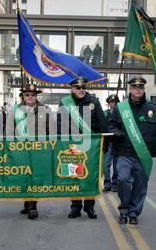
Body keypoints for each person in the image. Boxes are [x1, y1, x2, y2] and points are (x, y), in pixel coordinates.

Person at [108, 77, 156, 225]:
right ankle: (124, 209)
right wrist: (115, 131)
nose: (138, 89)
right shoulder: (120, 109)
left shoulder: (153, 109)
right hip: (124, 152)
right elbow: (110, 125)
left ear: (144, 89)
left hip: (143, 154)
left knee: (140, 185)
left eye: (140, 87)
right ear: (130, 89)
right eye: (134, 87)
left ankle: (134, 212)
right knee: (123, 180)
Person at [58, 77, 105, 219]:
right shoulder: (65, 103)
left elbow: (101, 122)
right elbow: (60, 124)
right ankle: (75, 207)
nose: (81, 90)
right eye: (78, 88)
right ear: (72, 89)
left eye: (83, 87)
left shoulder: (94, 102)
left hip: (91, 146)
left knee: (90, 176)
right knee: (74, 175)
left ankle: (89, 207)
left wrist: (104, 143)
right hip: (71, 146)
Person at [11, 83, 52, 219]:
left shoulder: (45, 110)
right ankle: (26, 202)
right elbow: (7, 129)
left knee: (34, 177)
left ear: (36, 96)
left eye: (33, 95)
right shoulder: (14, 110)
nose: (30, 97)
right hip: (20, 149)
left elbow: (51, 130)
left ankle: (33, 206)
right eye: (27, 94)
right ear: (23, 95)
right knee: (23, 176)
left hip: (38, 151)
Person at [103, 94, 120, 192]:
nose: (112, 104)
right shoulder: (105, 114)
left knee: (117, 165)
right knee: (106, 165)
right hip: (108, 142)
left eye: (114, 102)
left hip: (118, 142)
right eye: (111, 102)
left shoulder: (121, 113)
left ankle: (115, 183)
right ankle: (107, 183)